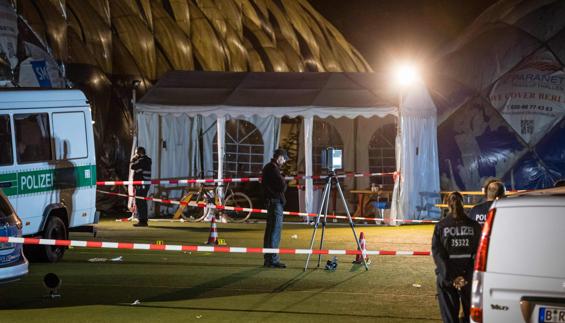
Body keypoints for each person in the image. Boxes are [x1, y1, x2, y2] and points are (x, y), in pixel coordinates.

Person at [432, 192, 481, 323]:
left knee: (450, 318)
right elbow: (479, 253)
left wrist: (452, 277)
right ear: (463, 204)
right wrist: (465, 275)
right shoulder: (475, 226)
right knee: (471, 317)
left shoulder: (441, 226)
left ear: (448, 205)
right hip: (469, 278)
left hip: (447, 278)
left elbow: (438, 254)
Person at [262, 148, 289, 268]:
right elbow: (282, 186)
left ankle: (268, 259)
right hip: (275, 202)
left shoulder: (269, 167)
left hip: (271, 202)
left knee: (270, 231)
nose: (284, 162)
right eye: (284, 159)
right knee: (275, 232)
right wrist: (283, 178)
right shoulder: (273, 168)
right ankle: (273, 259)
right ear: (279, 157)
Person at [130, 147, 152, 227]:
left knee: (140, 202)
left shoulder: (142, 160)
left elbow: (132, 166)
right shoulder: (147, 160)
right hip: (144, 184)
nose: (135, 155)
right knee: (142, 201)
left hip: (141, 184)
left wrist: (134, 159)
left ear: (139, 153)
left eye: (136, 153)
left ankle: (142, 221)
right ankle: (143, 220)